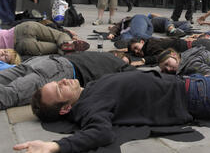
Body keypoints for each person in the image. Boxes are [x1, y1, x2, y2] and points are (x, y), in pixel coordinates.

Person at [8, 70, 210, 153]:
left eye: (58, 81)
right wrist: (54, 146)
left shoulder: (89, 91)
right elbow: (100, 133)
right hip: (196, 95)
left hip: (194, 81)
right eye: (60, 89)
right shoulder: (90, 107)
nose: (64, 81)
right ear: (65, 109)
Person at [0, 50, 135, 110]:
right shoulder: (120, 65)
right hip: (59, 70)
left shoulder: (102, 56)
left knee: (7, 80)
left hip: (45, 61)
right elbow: (138, 78)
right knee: (11, 95)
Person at [0, 21, 89, 57]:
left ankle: (65, 49)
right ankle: (67, 43)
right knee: (60, 35)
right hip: (22, 28)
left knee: (54, 48)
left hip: (20, 45)